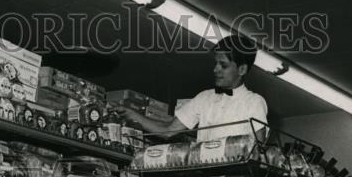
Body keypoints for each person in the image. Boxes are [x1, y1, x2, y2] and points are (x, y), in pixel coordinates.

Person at [115, 35, 269, 142]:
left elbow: (258, 148)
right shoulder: (204, 98)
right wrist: (132, 114)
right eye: (215, 63)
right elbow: (168, 130)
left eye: (223, 65)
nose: (215, 69)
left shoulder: (254, 102)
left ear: (242, 70)